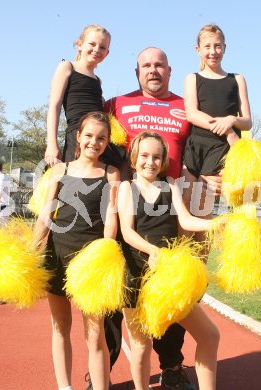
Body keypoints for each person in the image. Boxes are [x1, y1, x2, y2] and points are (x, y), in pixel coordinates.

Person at [103, 47, 221, 389]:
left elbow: (206, 148)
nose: (151, 161)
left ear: (169, 70)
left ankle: (172, 367)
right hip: (136, 258)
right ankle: (103, 373)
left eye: (159, 65)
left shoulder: (187, 109)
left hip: (170, 251)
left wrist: (215, 207)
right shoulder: (116, 105)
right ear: (137, 71)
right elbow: (91, 136)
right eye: (146, 65)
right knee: (136, 342)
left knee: (198, 329)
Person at [118, 132, 219, 390]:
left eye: (157, 157)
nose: (150, 162)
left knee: (209, 335)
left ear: (163, 161)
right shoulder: (126, 188)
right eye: (144, 156)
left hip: (167, 278)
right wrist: (153, 251)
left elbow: (185, 220)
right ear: (134, 158)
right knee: (141, 346)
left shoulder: (171, 185)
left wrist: (215, 223)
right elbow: (127, 232)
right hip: (136, 277)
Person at [33, 112, 120, 390]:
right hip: (57, 256)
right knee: (60, 327)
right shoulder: (59, 171)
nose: (94, 142)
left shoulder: (111, 173)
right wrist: (33, 247)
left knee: (95, 336)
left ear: (107, 142)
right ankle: (65, 387)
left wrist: (105, 256)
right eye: (89, 136)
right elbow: (46, 213)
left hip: (91, 264)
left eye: (101, 138)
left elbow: (111, 218)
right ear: (78, 137)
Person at [181, 23, 252, 258]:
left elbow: (247, 121)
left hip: (220, 151)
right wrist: (222, 126)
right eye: (207, 46)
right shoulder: (192, 78)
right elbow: (192, 114)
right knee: (184, 203)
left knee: (203, 210)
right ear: (198, 49)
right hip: (195, 146)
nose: (213, 51)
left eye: (218, 46)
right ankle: (180, 261)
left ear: (225, 48)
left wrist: (231, 119)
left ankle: (199, 269)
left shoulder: (237, 79)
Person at [45, 24, 111, 166]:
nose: (96, 50)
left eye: (102, 47)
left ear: (107, 53)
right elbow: (54, 107)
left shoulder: (98, 80)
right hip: (77, 137)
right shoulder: (67, 67)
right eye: (92, 44)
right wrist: (52, 144)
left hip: (98, 138)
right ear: (79, 45)